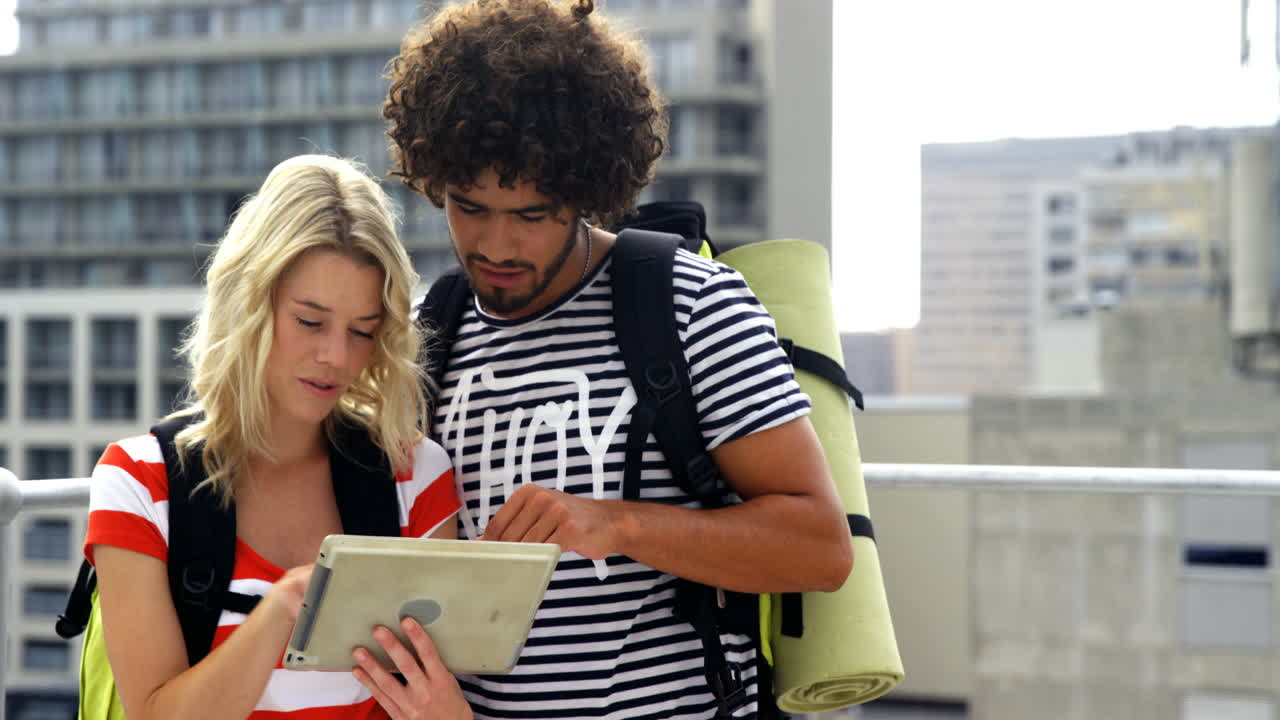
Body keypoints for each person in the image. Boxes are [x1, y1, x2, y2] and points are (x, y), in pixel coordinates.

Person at [382, 1, 854, 717]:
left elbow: (820, 549)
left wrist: (619, 525)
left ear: (586, 192)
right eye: (468, 207)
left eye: (531, 214)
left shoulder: (690, 306)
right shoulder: (432, 333)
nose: (497, 245)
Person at [84, 155, 473, 720]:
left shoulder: (413, 476)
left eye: (362, 331)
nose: (335, 356)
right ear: (248, 304)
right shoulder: (139, 481)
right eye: (310, 322)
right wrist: (283, 608)